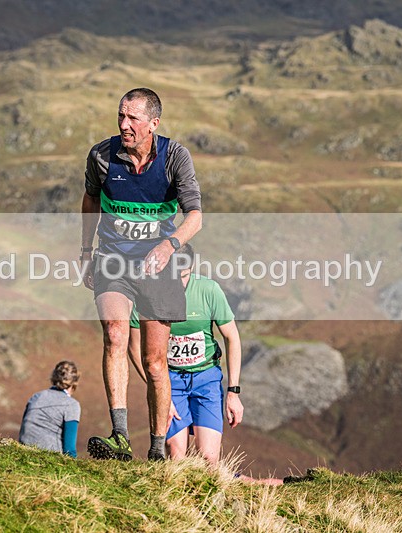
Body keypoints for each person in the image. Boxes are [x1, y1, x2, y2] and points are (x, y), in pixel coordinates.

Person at [80, 87, 202, 461]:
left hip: (159, 265)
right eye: (120, 116)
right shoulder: (102, 156)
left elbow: (194, 216)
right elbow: (89, 201)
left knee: (154, 360)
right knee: (115, 335)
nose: (124, 124)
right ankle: (119, 435)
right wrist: (86, 251)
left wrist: (169, 246)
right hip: (113, 260)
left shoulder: (174, 157)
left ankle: (156, 448)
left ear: (153, 123)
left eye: (132, 118)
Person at [127, 244, 244, 465]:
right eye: (174, 277)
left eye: (185, 275)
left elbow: (232, 338)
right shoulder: (145, 294)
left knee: (209, 457)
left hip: (206, 378)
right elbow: (133, 346)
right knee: (176, 453)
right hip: (169, 381)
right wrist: (157, 388)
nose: (180, 283)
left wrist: (233, 393)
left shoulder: (209, 290)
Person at [18, 361, 81, 458]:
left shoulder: (36, 397)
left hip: (22, 453)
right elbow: (69, 449)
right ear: (74, 382)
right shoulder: (72, 405)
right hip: (49, 458)